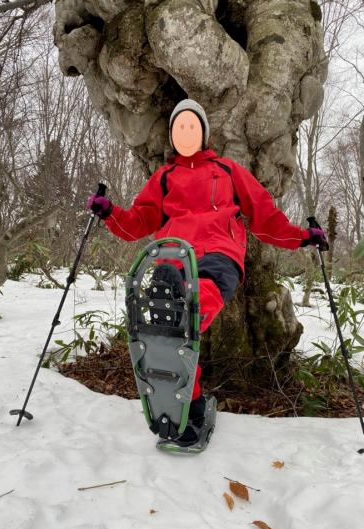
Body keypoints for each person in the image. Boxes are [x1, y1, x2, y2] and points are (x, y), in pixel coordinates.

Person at [87, 98, 328, 444]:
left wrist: (303, 237)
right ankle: (189, 403)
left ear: (203, 133)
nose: (185, 132)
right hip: (174, 258)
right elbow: (138, 223)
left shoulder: (228, 171)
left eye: (192, 126)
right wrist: (109, 213)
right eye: (179, 127)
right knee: (177, 333)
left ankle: (179, 312)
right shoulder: (165, 177)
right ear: (172, 136)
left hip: (219, 251)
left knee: (192, 309)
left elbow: (265, 217)